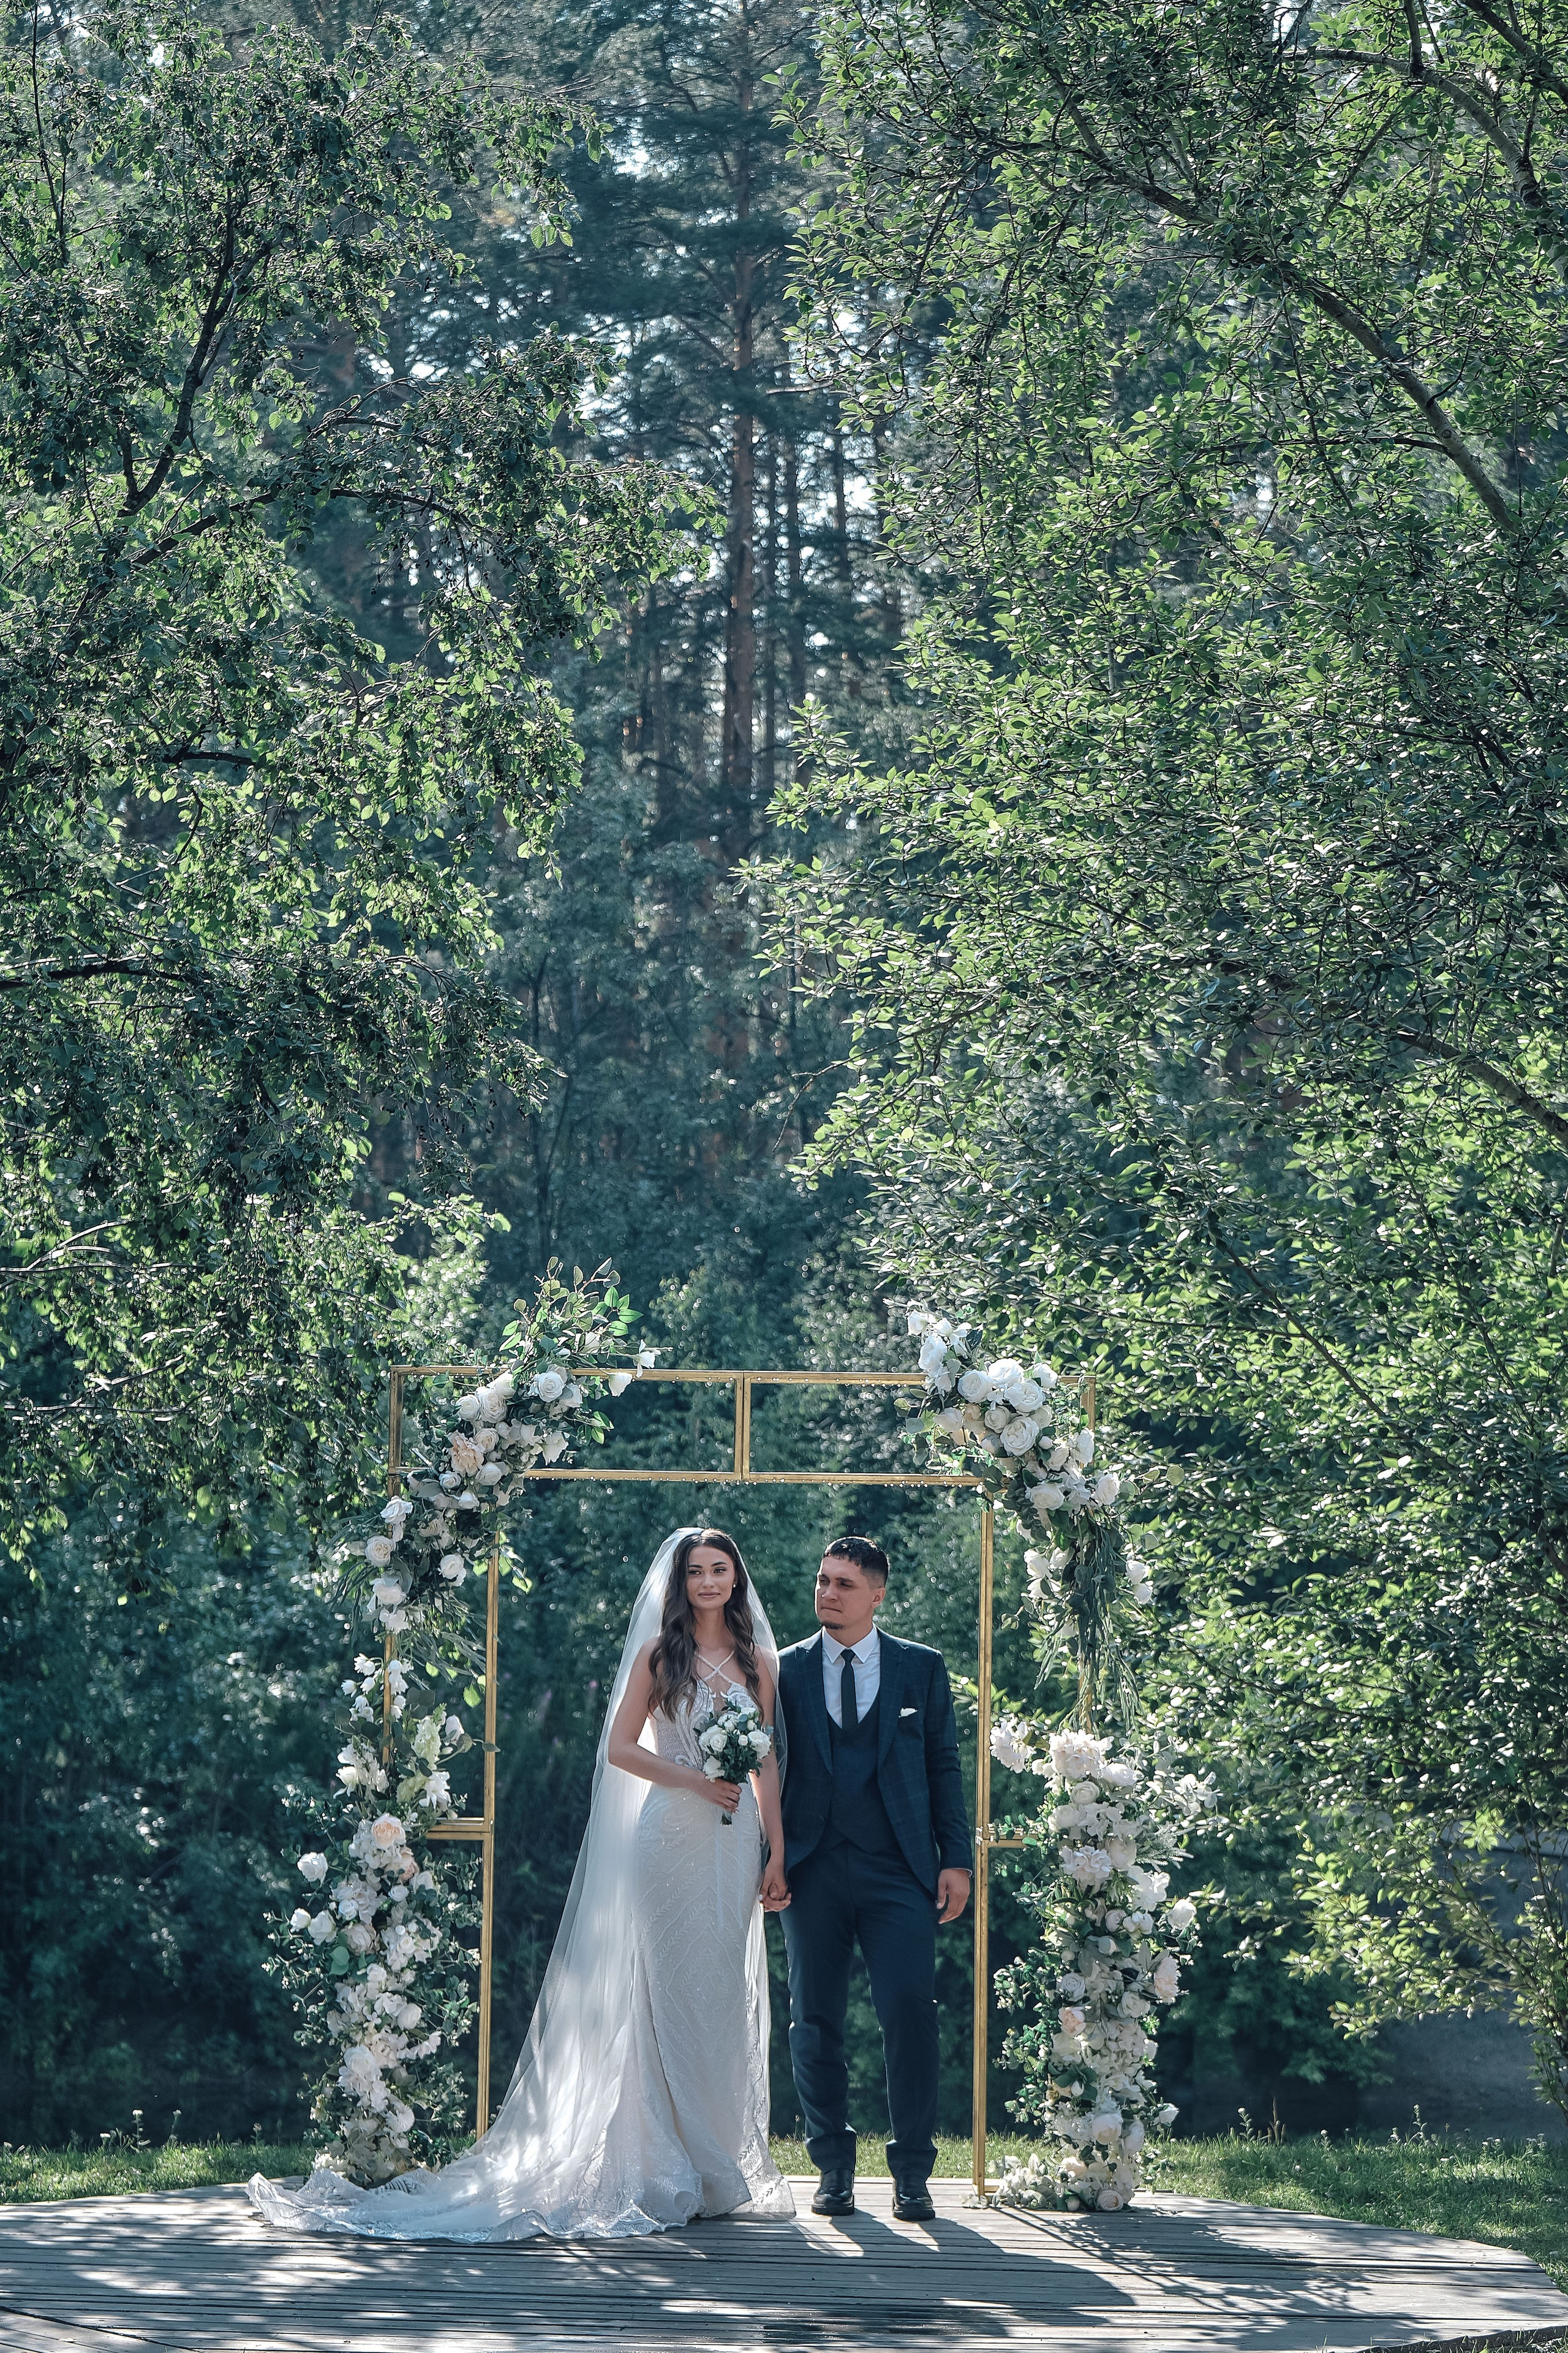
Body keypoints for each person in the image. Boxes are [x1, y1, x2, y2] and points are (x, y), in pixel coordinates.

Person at [248, 1527, 794, 2240]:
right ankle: (666, 2160)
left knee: (717, 1989)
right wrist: (693, 1777)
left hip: (733, 1842)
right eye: (697, 1572)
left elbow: (768, 1761)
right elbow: (620, 1748)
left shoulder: (759, 1661)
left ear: (736, 1577)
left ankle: (717, 2161)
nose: (710, 1582)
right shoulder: (663, 1656)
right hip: (668, 1839)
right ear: (680, 1583)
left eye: (721, 1569)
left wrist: (776, 1851)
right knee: (661, 1991)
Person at [772, 1535, 972, 2224]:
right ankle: (832, 2167)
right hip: (812, 1865)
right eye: (823, 1580)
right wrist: (769, 1858)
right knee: (814, 2019)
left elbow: (944, 1764)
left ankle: (913, 2173)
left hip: (901, 1868)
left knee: (909, 2013)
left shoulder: (921, 1667)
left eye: (844, 1584)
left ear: (877, 1593)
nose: (827, 1592)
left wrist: (957, 1859)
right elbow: (767, 1772)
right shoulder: (783, 1669)